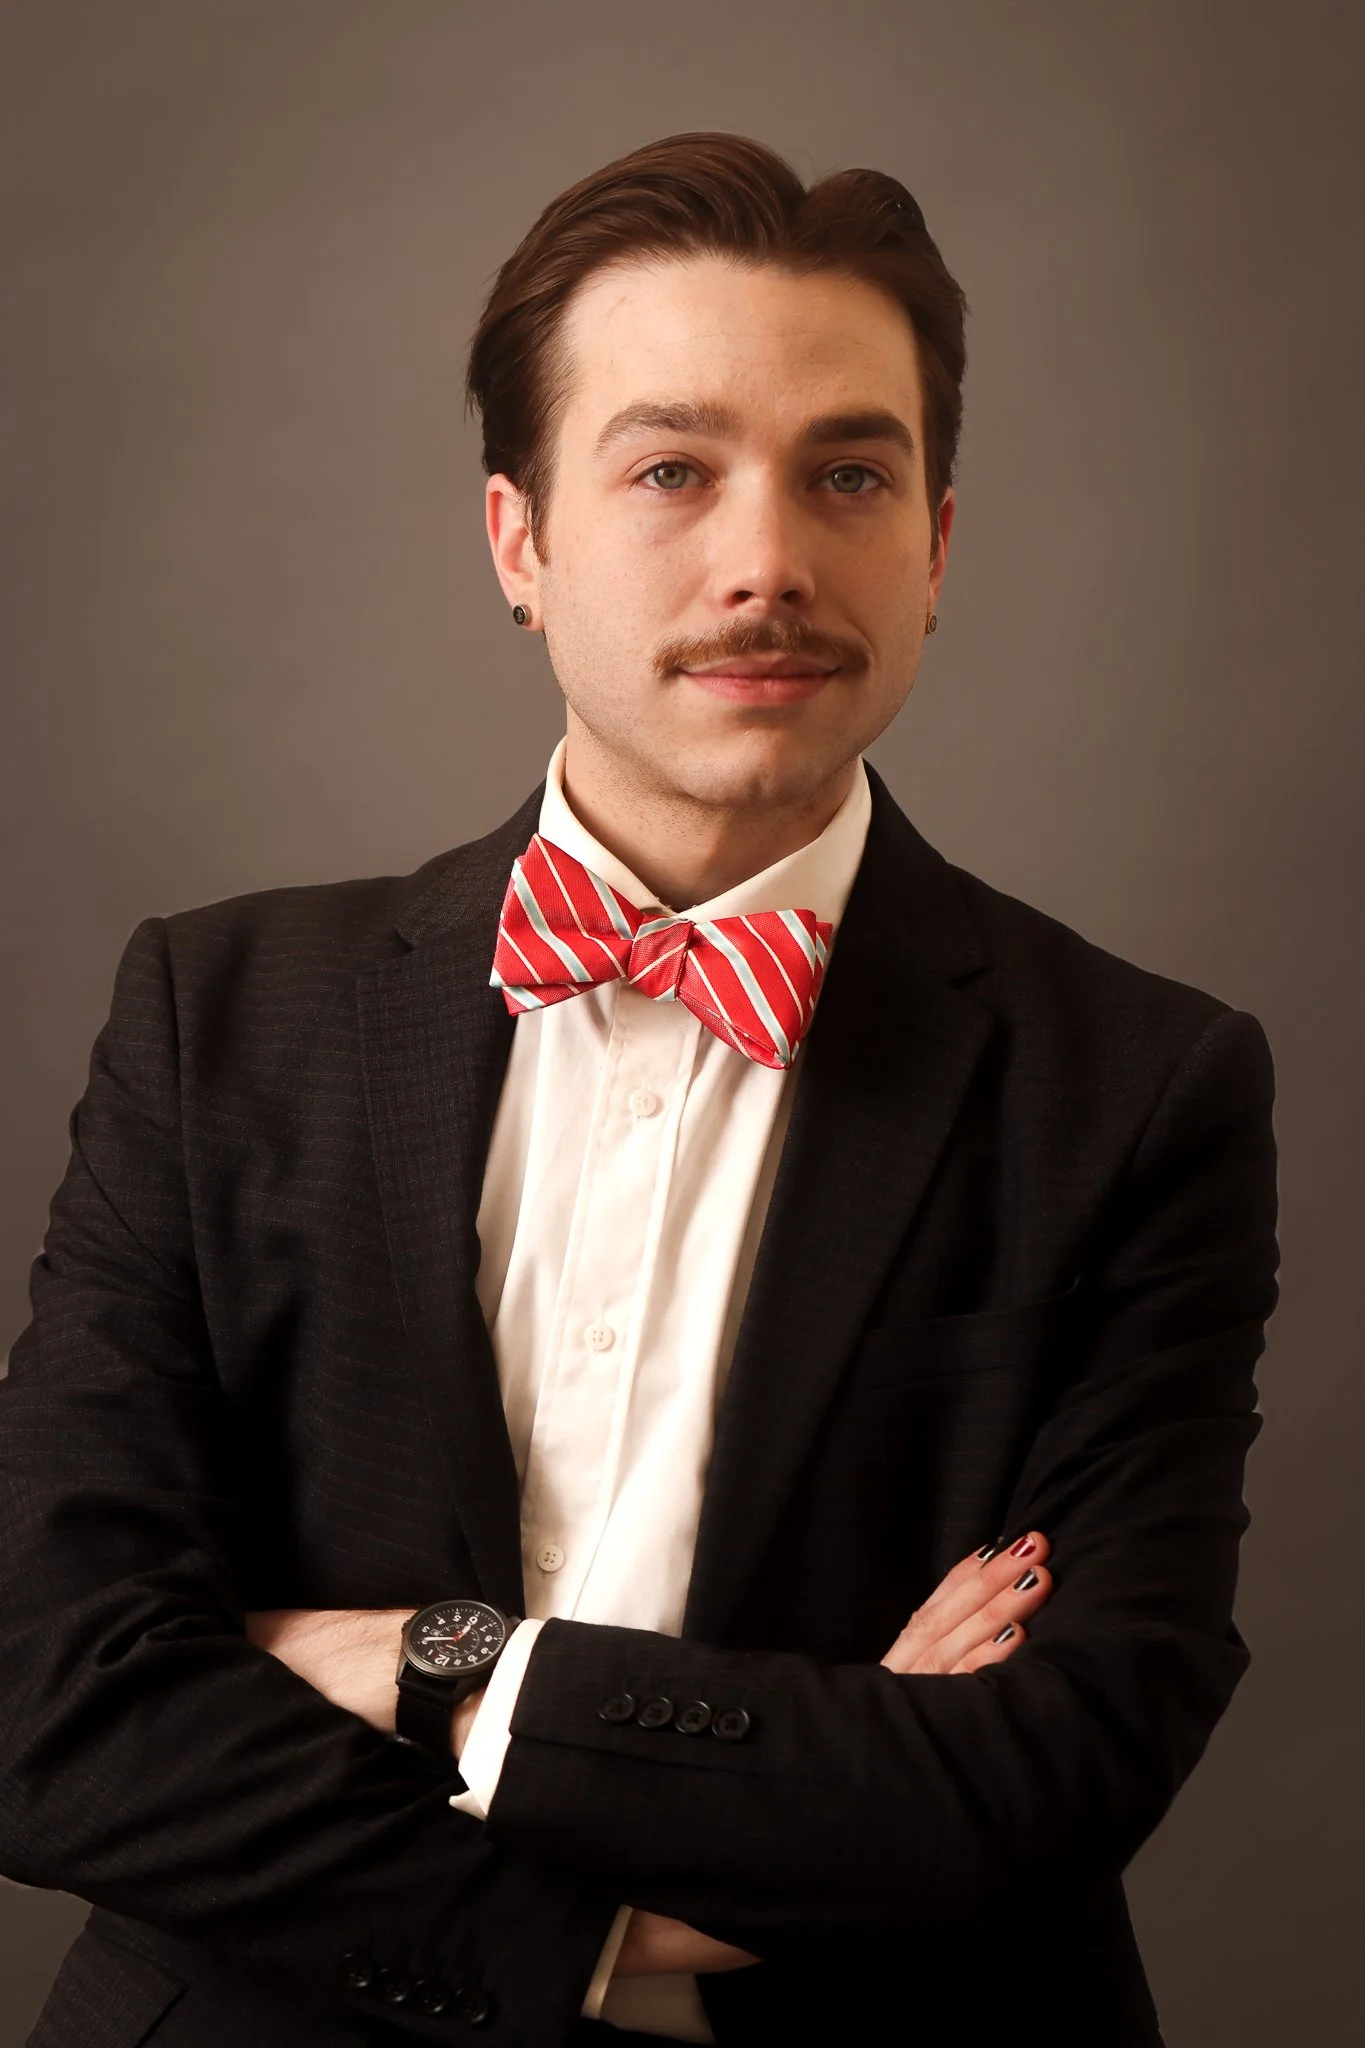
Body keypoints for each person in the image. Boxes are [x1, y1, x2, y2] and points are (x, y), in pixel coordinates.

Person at [0, 132, 1279, 2048]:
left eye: (851, 475)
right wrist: (600, 1942)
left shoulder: (1146, 1084)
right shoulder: (219, 1008)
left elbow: (1055, 1766)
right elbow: (42, 1681)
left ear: (936, 544)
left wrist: (428, 1665)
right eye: (671, 470)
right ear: (518, 540)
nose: (768, 562)